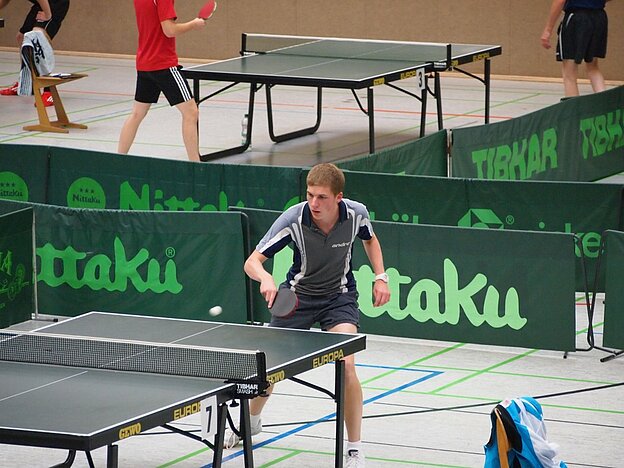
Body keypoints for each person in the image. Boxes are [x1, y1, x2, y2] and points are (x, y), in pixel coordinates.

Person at [230, 163, 391, 468]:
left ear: (338, 197)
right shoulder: (293, 218)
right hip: (296, 300)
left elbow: (370, 239)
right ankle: (251, 422)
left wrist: (380, 276)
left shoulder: (356, 214)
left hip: (338, 298)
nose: (314, 203)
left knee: (347, 366)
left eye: (322, 197)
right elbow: (252, 261)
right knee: (268, 368)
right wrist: (265, 278)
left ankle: (354, 448)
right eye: (310, 195)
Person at [117, 0, 208, 162]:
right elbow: (169, 30)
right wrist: (194, 24)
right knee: (191, 112)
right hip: (163, 65)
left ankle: (118, 160)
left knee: (137, 114)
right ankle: (196, 165)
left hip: (144, 64)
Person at [0, 0, 70, 106]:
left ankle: (49, 91)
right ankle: (27, 83)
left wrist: (47, 15)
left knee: (39, 36)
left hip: (56, 3)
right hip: (42, 4)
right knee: (22, 37)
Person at [540, 0, 610, 97]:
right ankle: (604, 103)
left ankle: (574, 105)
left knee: (569, 72)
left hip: (576, 18)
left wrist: (548, 29)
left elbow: (560, 1)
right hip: (599, 18)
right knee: (593, 67)